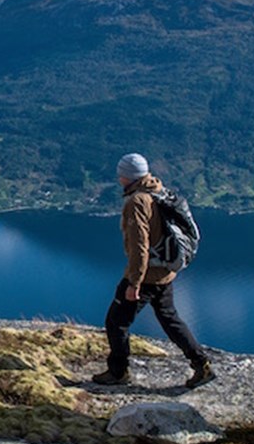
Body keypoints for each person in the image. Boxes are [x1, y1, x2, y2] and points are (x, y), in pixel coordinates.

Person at [90, 153, 215, 389]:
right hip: (164, 273)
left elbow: (139, 246)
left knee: (116, 322)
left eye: (121, 173)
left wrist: (134, 283)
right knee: (170, 319)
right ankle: (202, 364)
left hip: (145, 275)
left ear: (127, 176)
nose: (119, 177)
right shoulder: (158, 189)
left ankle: (118, 372)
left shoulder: (137, 201)